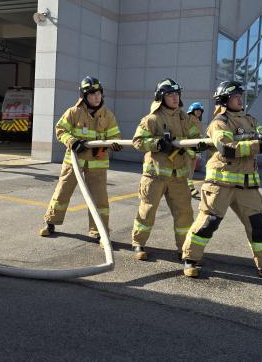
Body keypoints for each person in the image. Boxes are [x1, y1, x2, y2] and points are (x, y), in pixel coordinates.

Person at [181, 81, 262, 284]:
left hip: (247, 186)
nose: (240, 99)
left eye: (241, 96)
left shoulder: (250, 120)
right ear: (224, 100)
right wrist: (259, 144)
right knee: (207, 224)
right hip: (220, 185)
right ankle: (190, 259)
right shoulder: (219, 123)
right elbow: (227, 148)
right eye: (235, 97)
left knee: (260, 227)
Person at [39, 76, 122, 242]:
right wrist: (73, 142)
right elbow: (61, 130)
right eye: (92, 94)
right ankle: (50, 222)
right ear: (84, 96)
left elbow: (115, 136)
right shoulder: (73, 112)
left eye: (99, 93)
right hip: (74, 162)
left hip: (97, 164)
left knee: (99, 198)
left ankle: (100, 231)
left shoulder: (108, 116)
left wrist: (115, 144)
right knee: (62, 193)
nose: (97, 97)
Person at [130, 79, 202, 261]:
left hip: (179, 177)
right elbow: (138, 141)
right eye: (170, 95)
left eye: (177, 94)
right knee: (147, 211)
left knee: (185, 214)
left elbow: (196, 138)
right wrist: (157, 144)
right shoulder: (152, 119)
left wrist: (196, 146)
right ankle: (138, 243)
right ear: (161, 97)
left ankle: (185, 250)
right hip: (155, 175)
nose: (175, 98)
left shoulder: (185, 118)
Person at [186, 102, 205, 198]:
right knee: (187, 169)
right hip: (186, 149)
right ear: (192, 110)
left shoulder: (198, 121)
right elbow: (186, 133)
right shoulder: (188, 119)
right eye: (197, 110)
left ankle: (189, 187)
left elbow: (199, 135)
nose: (199, 112)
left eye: (200, 111)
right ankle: (189, 188)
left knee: (191, 170)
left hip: (194, 150)